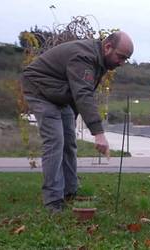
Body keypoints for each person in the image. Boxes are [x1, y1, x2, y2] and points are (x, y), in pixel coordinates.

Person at [21, 31, 134, 213]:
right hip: (40, 89)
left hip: (60, 92)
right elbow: (82, 94)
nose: (122, 63)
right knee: (55, 141)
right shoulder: (84, 57)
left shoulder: (99, 60)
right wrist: (98, 133)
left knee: (69, 140)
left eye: (126, 59)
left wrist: (71, 121)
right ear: (107, 47)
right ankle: (53, 201)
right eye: (121, 57)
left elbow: (77, 92)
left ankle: (70, 191)